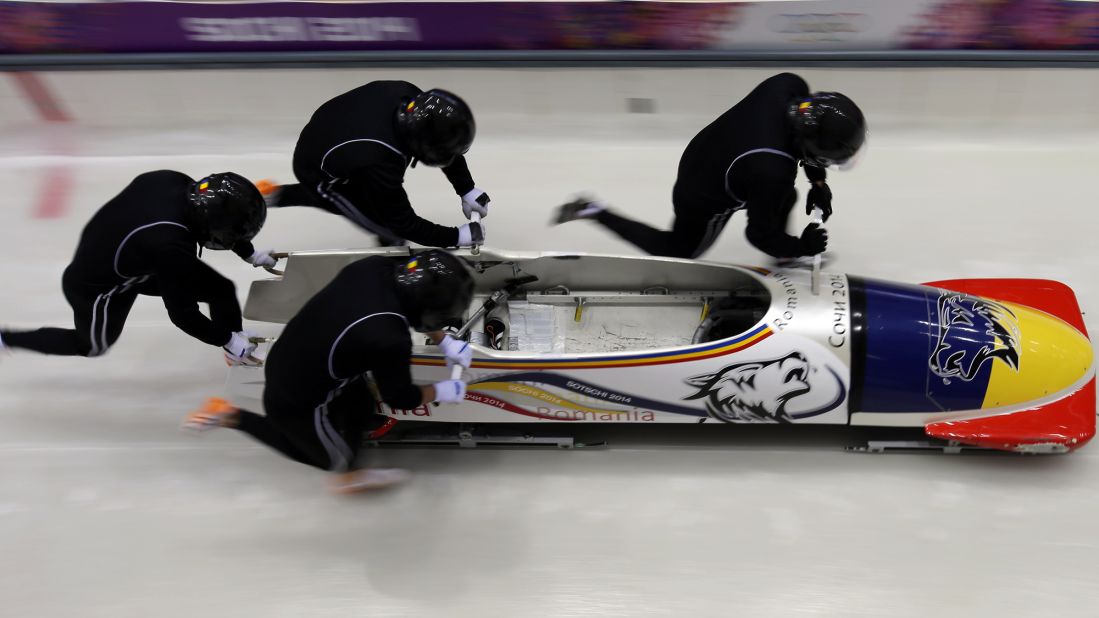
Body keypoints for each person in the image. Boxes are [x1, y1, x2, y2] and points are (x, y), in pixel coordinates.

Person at [183, 249, 476, 493]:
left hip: (297, 351)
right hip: (298, 398)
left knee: (361, 402)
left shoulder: (374, 267)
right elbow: (401, 397)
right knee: (333, 459)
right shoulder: (388, 337)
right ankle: (232, 416)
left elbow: (415, 302)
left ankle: (346, 423)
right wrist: (443, 390)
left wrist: (445, 341)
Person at [553, 73, 866, 263]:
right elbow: (759, 234)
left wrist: (818, 184)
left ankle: (783, 255)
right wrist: (801, 247)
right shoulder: (772, 171)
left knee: (786, 197)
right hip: (707, 191)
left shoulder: (788, 86)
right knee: (680, 250)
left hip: (709, 149)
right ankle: (593, 210)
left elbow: (801, 149)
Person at [0, 171, 270, 363]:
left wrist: (250, 252)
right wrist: (227, 338)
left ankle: (235, 352)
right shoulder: (171, 245)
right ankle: (7, 338)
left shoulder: (173, 180)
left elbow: (217, 221)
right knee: (92, 346)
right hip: (98, 287)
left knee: (220, 289)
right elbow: (183, 315)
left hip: (136, 256)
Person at [261, 81, 490, 249]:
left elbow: (439, 140)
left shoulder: (413, 98)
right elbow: (402, 222)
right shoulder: (379, 160)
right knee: (386, 228)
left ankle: (276, 194)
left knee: (370, 192)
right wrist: (455, 237)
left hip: (338, 132)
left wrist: (466, 189)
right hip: (317, 168)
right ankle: (279, 196)